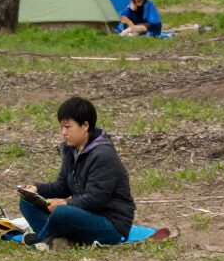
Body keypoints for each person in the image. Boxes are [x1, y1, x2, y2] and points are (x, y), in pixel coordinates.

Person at [16, 96, 135, 249]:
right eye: (61, 127)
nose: (63, 133)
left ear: (85, 125)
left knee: (62, 213)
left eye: (67, 127)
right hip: (83, 216)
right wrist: (35, 190)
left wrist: (65, 203)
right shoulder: (71, 150)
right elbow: (62, 187)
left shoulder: (104, 155)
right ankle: (56, 238)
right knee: (27, 202)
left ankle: (41, 239)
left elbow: (95, 199)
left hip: (110, 224)